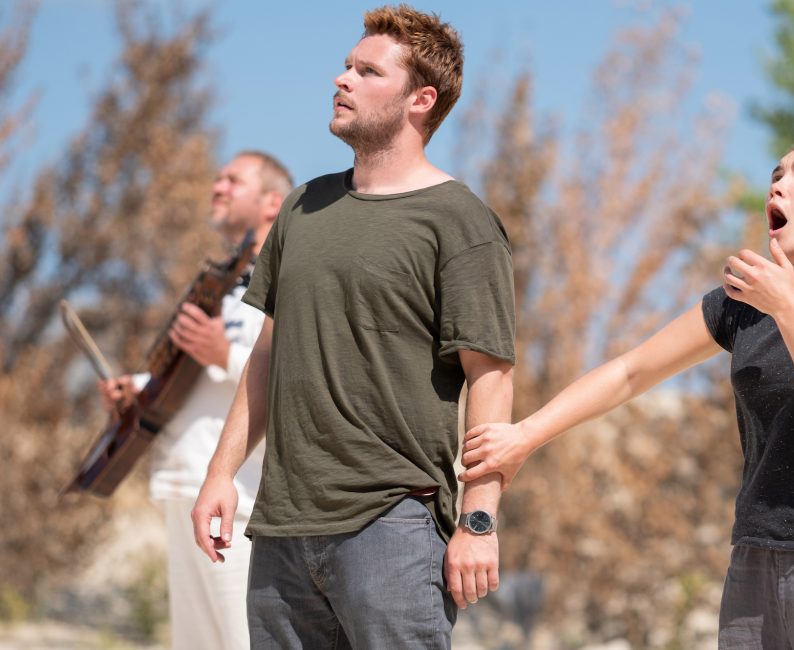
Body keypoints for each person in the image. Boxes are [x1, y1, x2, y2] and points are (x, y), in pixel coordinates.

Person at [461, 135, 794, 648]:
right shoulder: (742, 305)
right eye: (776, 174)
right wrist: (524, 436)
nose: (778, 185)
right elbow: (630, 373)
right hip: (754, 564)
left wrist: (787, 308)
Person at [190, 5, 515, 649]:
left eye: (367, 71)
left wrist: (478, 521)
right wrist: (220, 474)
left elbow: (492, 380)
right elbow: (268, 354)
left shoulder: (459, 221)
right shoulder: (302, 208)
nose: (342, 79)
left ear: (421, 98)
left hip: (393, 526)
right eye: (346, 66)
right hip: (281, 528)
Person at [99, 150, 293, 650]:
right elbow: (195, 381)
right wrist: (139, 389)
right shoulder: (220, 284)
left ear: (273, 201)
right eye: (217, 178)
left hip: (245, 505)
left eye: (234, 179)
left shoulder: (294, 276)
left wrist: (224, 352)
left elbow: (300, 378)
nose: (218, 186)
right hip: (185, 490)